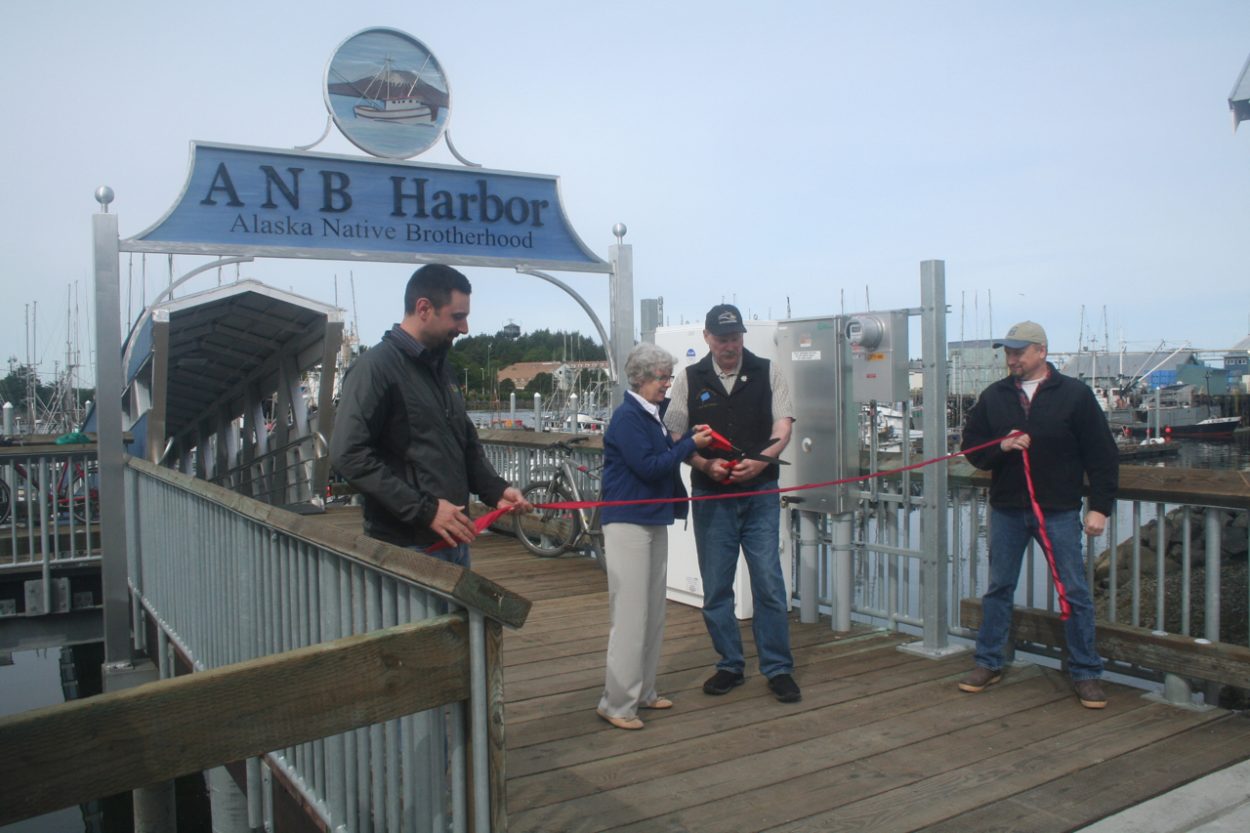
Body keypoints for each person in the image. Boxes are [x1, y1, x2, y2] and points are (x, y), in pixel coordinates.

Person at [959, 320, 1118, 709]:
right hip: (1007, 510)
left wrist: (1100, 508)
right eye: (1008, 352)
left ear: (1041, 352)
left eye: (1018, 352)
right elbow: (972, 449)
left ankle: (1086, 671)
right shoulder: (994, 396)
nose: (1011, 359)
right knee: (998, 588)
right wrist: (1002, 446)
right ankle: (989, 662)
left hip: (1059, 511)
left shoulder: (1076, 395)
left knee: (1074, 591)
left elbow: (1102, 454)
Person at [329, 264, 529, 568]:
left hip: (454, 540)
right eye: (457, 316)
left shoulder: (441, 368)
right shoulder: (375, 368)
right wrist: (426, 510)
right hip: (405, 547)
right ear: (424, 308)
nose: (465, 328)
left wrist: (496, 490)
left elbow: (464, 441)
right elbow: (348, 455)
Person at [663, 303, 801, 703]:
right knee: (717, 588)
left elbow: (783, 425)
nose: (730, 345)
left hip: (760, 494)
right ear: (707, 338)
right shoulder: (689, 378)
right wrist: (704, 464)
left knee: (769, 584)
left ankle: (778, 668)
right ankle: (730, 664)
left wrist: (761, 461)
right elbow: (675, 435)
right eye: (722, 338)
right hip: (711, 495)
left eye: (735, 337)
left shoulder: (768, 370)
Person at [596, 343, 713, 730]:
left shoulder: (652, 414)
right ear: (642, 378)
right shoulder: (628, 418)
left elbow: (664, 452)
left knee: (652, 612)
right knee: (630, 616)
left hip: (651, 518)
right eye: (662, 378)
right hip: (627, 521)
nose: (667, 384)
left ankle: (643, 691)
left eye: (668, 377)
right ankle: (617, 703)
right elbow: (648, 467)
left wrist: (688, 437)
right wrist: (689, 445)